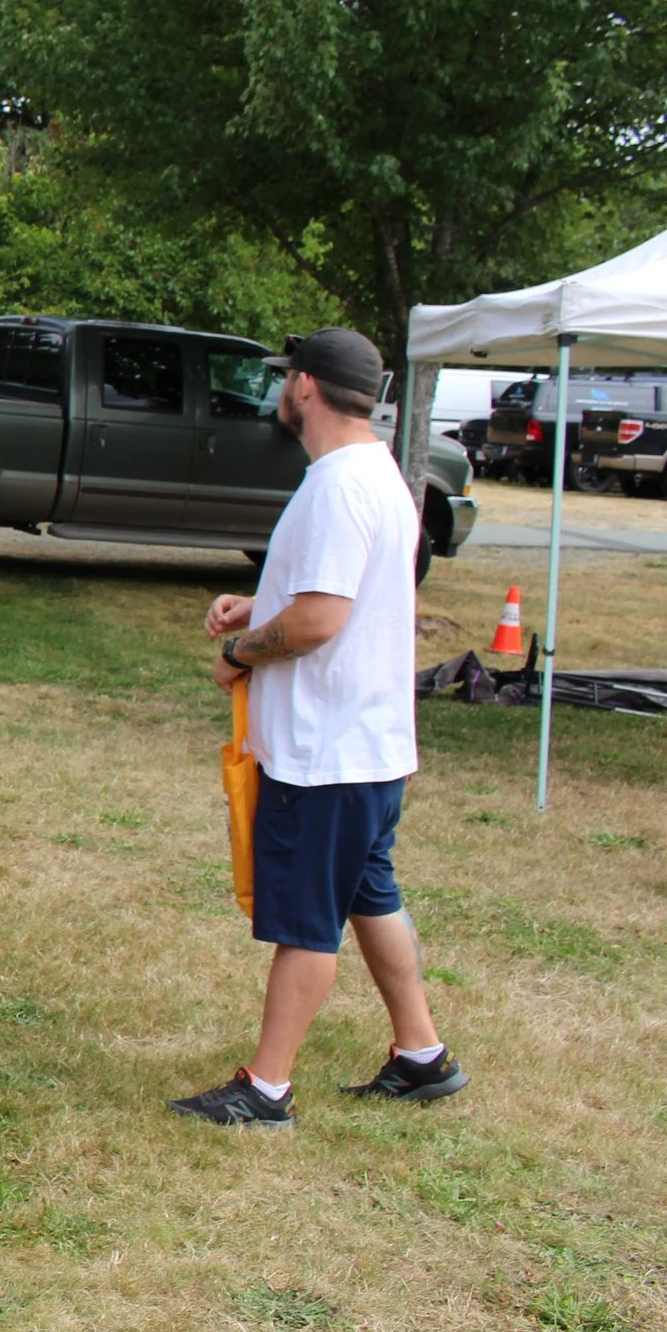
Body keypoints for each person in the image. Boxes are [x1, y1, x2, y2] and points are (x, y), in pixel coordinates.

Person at [175, 328, 465, 1127]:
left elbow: (321, 620)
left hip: (326, 752)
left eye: (284, 377)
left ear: (304, 386)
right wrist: (262, 605)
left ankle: (266, 1087)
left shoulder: (338, 484)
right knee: (370, 894)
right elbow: (330, 599)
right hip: (368, 743)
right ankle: (422, 1053)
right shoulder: (380, 474)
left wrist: (242, 648)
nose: (279, 389)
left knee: (308, 920)